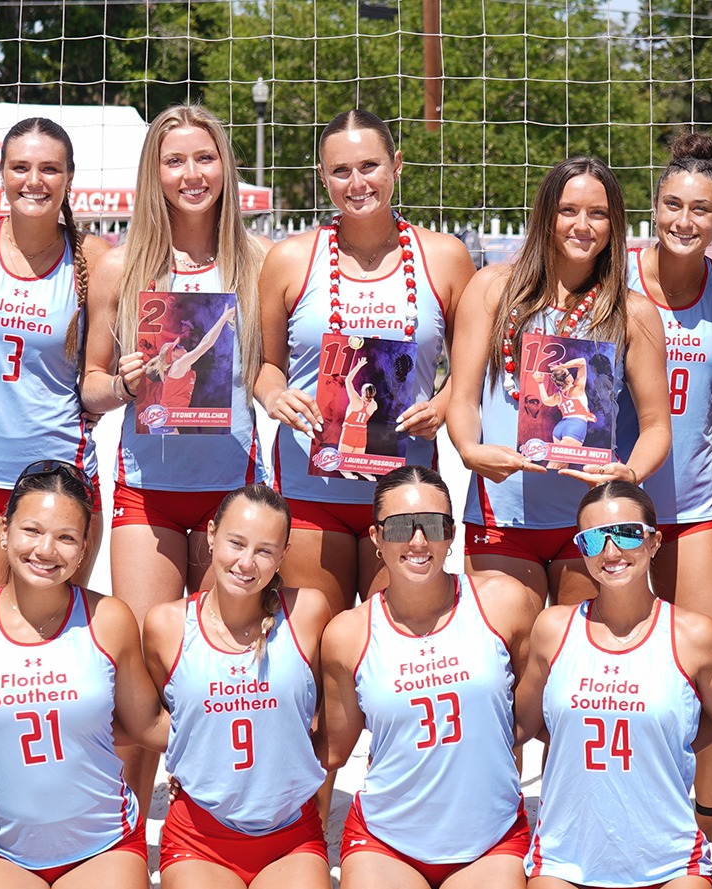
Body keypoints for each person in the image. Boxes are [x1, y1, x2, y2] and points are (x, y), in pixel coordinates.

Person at [319, 466, 541, 889]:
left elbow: (541, 715)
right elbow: (333, 751)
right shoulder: (348, 633)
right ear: (375, 538)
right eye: (399, 527)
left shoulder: (504, 603)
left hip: (488, 841)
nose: (416, 541)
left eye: (432, 525)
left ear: (450, 533)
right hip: (389, 840)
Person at [512, 481, 712, 889]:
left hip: (664, 861)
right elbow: (519, 725)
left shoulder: (693, 635)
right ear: (580, 548)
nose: (612, 551)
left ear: (655, 542)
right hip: (570, 859)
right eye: (594, 538)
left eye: (628, 533)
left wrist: (708, 808)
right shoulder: (554, 629)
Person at [0, 461, 165, 889]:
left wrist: (258, 720)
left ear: (86, 545)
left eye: (67, 537)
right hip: (2, 849)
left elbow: (146, 725)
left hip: (101, 843)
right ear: (4, 531)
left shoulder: (109, 619)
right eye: (32, 531)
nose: (47, 550)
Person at [259, 109, 473, 611]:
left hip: (407, 492)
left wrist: (443, 405)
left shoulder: (445, 256)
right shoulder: (290, 259)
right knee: (316, 649)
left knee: (394, 657)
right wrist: (274, 396)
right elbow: (267, 366)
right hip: (311, 489)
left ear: (397, 165)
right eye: (341, 171)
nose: (357, 183)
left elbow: (471, 369)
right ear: (322, 177)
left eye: (370, 166)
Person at [446, 156, 671, 604]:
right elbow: (464, 398)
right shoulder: (493, 289)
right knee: (512, 663)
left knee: (578, 659)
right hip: (502, 517)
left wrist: (630, 472)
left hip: (593, 522)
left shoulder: (633, 313)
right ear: (546, 214)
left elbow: (656, 427)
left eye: (598, 213)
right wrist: (470, 451)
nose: (582, 225)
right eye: (568, 210)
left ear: (615, 224)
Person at [142, 484, 335, 889]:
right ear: (210, 537)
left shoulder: (309, 613)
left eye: (265, 549)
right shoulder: (166, 624)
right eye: (236, 542)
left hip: (289, 835)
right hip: (201, 836)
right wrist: (195, 755)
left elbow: (332, 717)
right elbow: (149, 720)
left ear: (284, 556)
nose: (247, 562)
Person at [83, 104, 270, 620]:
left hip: (233, 486)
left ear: (225, 166)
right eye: (175, 162)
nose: (192, 175)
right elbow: (90, 387)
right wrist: (122, 386)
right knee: (147, 655)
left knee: (222, 653)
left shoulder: (260, 262)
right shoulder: (121, 267)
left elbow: (274, 372)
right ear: (154, 172)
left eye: (205, 158)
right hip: (148, 490)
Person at [0, 117, 109, 601]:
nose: (34, 181)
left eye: (50, 169)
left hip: (60, 475)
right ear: (1, 174)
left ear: (69, 179)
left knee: (54, 634)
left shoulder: (94, 258)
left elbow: (103, 366)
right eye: (21, 167)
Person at [628, 132, 712, 839]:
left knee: (705, 669)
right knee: (620, 667)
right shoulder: (618, 277)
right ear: (653, 206)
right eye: (672, 204)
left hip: (694, 501)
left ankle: (701, 819)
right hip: (615, 501)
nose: (684, 220)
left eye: (700, 209)